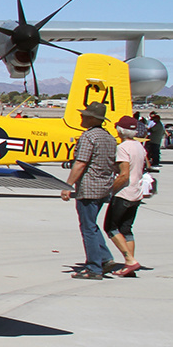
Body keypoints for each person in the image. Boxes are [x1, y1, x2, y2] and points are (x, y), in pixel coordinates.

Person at [60, 102, 117, 279]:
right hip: (104, 186)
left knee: (87, 227)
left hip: (89, 187)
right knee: (92, 225)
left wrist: (68, 185)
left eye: (84, 115)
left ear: (93, 118)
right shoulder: (109, 137)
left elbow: (81, 163)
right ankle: (105, 258)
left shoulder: (88, 137)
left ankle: (94, 267)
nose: (81, 117)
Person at [104, 115, 147, 277]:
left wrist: (110, 190)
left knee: (111, 227)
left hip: (124, 193)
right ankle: (130, 264)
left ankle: (129, 260)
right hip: (136, 192)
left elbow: (124, 175)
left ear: (120, 130)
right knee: (126, 229)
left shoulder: (123, 147)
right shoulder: (139, 146)